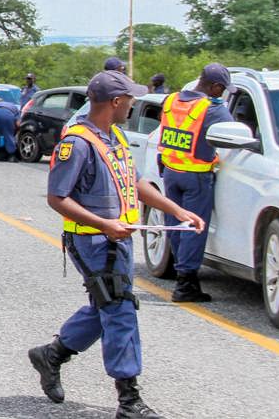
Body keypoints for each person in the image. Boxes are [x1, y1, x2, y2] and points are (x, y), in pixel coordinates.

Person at [28, 70, 204, 419]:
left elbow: (135, 183)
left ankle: (52, 355)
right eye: (131, 99)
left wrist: (178, 210)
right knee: (119, 308)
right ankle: (129, 401)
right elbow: (57, 197)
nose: (135, 103)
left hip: (118, 239)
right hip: (92, 240)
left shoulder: (117, 138)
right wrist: (104, 224)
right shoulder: (76, 143)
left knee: (107, 305)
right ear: (115, 101)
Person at [158, 63, 235, 302]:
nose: (222, 94)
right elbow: (234, 130)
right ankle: (186, 284)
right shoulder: (211, 108)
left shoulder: (171, 101)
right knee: (194, 227)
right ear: (214, 86)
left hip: (171, 172)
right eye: (221, 89)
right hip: (196, 176)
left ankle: (182, 273)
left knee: (177, 225)